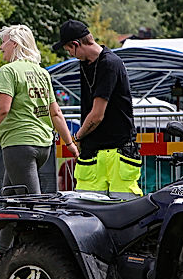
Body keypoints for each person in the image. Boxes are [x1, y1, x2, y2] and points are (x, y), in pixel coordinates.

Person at [0, 24, 77, 194]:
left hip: (19, 143)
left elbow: (1, 109)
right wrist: (69, 143)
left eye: (4, 42)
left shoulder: (8, 71)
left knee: (31, 201)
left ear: (15, 43)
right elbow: (55, 112)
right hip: (43, 145)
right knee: (9, 196)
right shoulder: (42, 73)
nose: (1, 47)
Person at [52, 19, 141, 198]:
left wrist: (77, 137)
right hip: (92, 151)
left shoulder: (110, 64)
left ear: (76, 44)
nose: (70, 55)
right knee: (86, 206)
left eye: (69, 50)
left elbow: (97, 115)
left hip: (117, 150)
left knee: (123, 207)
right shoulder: (85, 64)